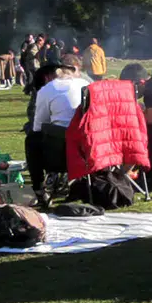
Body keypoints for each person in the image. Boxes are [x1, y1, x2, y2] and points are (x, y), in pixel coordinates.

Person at [33, 54, 90, 205]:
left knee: (32, 140)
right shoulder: (86, 84)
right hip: (88, 148)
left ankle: (39, 188)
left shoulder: (47, 90)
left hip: (60, 151)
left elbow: (38, 126)